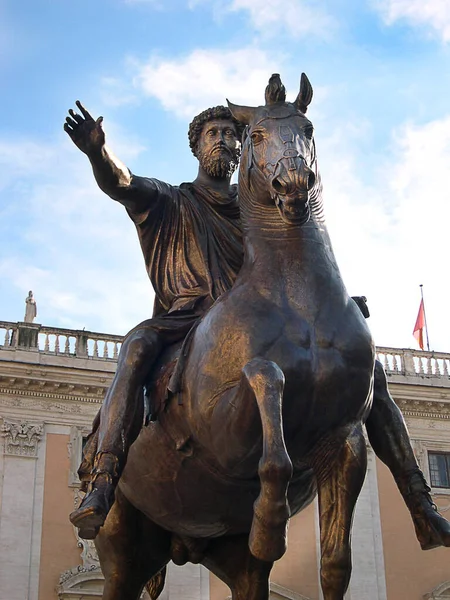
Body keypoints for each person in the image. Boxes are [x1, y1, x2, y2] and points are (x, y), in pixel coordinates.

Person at [64, 102, 450, 550]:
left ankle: (420, 502)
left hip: (263, 325)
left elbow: (299, 266)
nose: (225, 141)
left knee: (367, 372)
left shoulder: (258, 205)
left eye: (232, 134)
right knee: (135, 347)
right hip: (189, 318)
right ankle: (104, 478)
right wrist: (98, 153)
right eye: (214, 134)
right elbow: (123, 183)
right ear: (197, 146)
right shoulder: (172, 200)